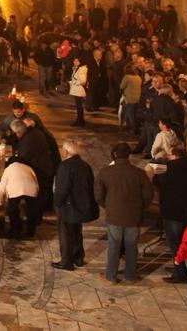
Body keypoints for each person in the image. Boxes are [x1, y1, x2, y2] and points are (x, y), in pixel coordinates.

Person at [96, 142, 153, 283]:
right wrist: (140, 207)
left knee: (114, 246)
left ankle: (111, 275)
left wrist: (108, 206)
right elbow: (148, 195)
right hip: (133, 216)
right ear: (129, 155)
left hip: (114, 215)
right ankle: (130, 275)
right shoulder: (139, 174)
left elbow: (98, 195)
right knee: (131, 246)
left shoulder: (105, 172)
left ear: (114, 154)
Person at [51, 139, 98, 271]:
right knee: (77, 231)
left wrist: (57, 202)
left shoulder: (65, 166)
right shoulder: (85, 165)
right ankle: (78, 257)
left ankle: (66, 261)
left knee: (66, 233)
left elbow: (62, 189)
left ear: (65, 151)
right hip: (81, 205)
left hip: (68, 206)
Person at [0, 155, 41, 238]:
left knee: (13, 210)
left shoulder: (9, 168)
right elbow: (36, 182)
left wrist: (0, 202)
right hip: (32, 189)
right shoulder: (28, 167)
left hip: (15, 190)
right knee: (31, 211)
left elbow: (1, 188)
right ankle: (30, 231)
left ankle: (15, 230)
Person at [68, 56, 88, 126]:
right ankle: (80, 120)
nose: (75, 62)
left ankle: (80, 121)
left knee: (79, 106)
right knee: (78, 106)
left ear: (80, 62)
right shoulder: (76, 69)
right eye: (74, 61)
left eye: (77, 61)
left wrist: (74, 82)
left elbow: (83, 81)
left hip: (79, 90)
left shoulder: (81, 69)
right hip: (76, 90)